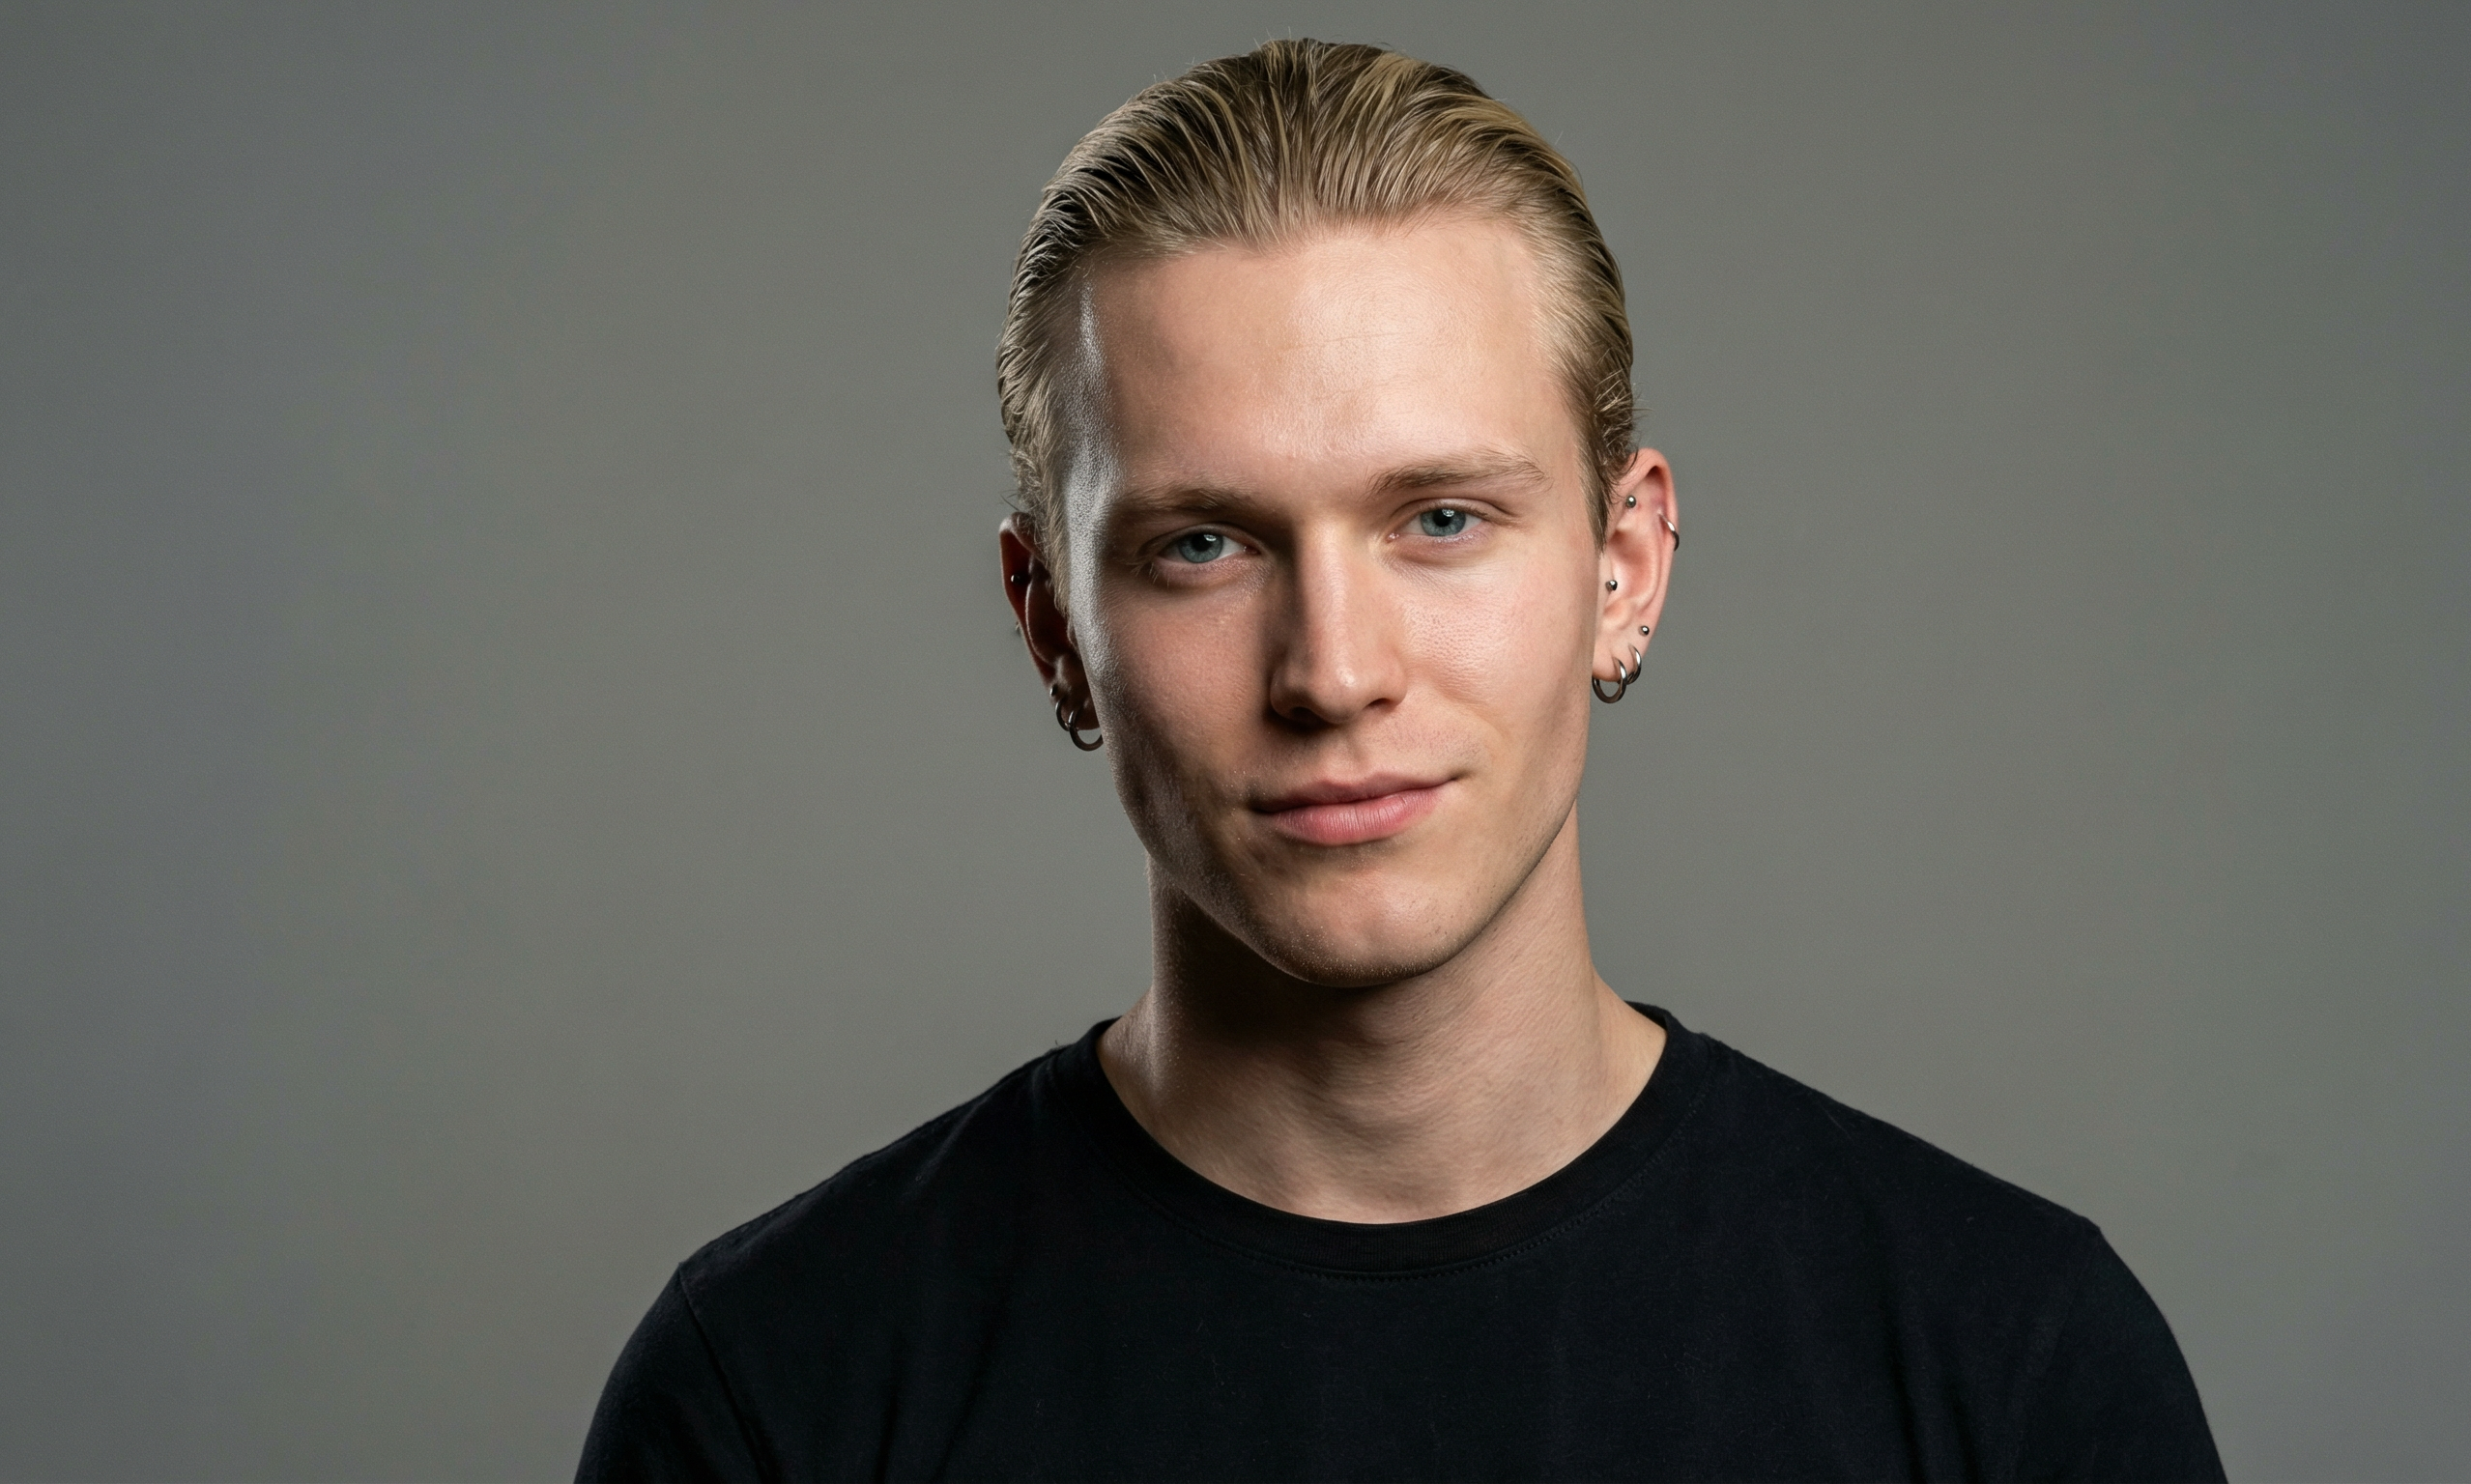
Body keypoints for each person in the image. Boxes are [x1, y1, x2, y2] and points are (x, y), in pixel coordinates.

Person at [578, 39, 2225, 1482]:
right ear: (1050, 622)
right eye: (1205, 545)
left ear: (1623, 565)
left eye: (1442, 519)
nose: (1335, 673)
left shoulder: (2011, 1368)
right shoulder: (776, 1395)